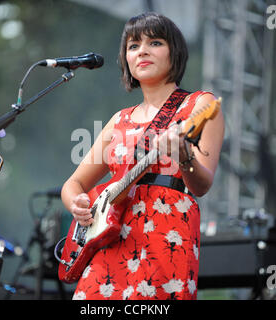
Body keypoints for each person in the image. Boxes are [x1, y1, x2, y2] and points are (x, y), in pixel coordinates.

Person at [61, 12, 224, 300]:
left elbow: (202, 185)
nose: (142, 51)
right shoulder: (119, 120)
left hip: (167, 238)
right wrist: (76, 204)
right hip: (109, 242)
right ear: (126, 59)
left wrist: (183, 155)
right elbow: (73, 185)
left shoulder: (200, 104)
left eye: (155, 42)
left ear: (175, 53)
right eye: (133, 46)